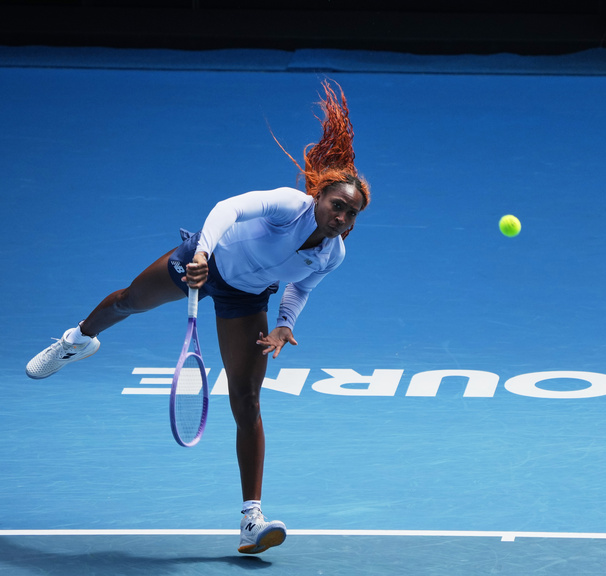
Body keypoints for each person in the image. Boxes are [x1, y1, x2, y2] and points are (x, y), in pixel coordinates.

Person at [25, 79, 370, 555]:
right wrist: (203, 253)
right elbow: (229, 209)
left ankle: (252, 519)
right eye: (338, 205)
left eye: (352, 215)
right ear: (319, 197)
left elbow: (301, 286)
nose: (343, 218)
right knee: (129, 300)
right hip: (204, 261)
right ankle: (77, 340)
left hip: (246, 299)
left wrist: (286, 323)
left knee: (247, 402)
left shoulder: (333, 254)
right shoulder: (288, 206)